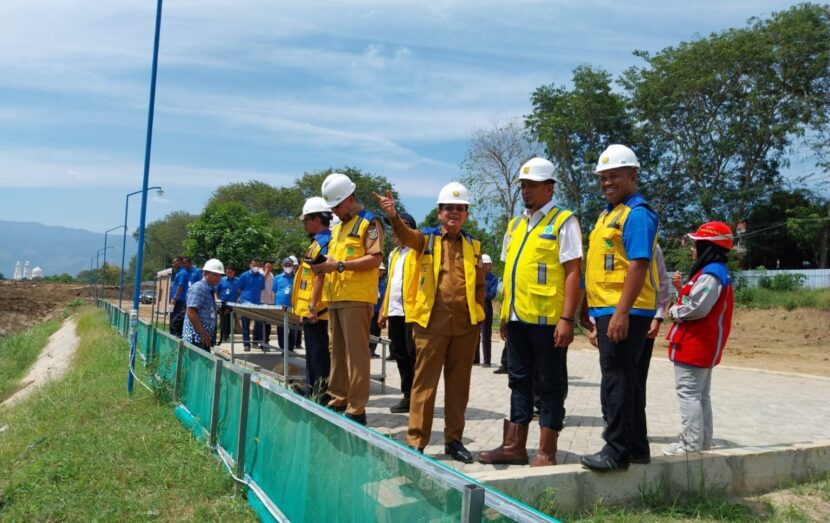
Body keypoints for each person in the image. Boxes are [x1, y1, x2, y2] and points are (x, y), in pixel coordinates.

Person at [478, 157, 582, 467]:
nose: (526, 191)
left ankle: (546, 451)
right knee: (518, 381)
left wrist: (567, 319)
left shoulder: (565, 221)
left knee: (549, 384)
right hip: (517, 319)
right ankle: (514, 446)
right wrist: (505, 316)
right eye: (523, 186)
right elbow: (511, 271)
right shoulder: (515, 224)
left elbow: (574, 272)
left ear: (549, 188)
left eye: (532, 186)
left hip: (549, 321)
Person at [374, 182, 485, 464]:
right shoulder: (426, 240)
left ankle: (453, 441)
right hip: (430, 325)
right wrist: (392, 216)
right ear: (439, 213)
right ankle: (416, 441)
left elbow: (480, 286)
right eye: (449, 208)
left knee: (459, 387)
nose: (454, 213)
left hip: (465, 327)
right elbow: (405, 235)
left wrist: (478, 315)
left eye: (460, 209)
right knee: (425, 385)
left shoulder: (474, 245)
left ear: (466, 214)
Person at [580, 144, 660, 472]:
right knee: (630, 380)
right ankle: (637, 447)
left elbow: (639, 264)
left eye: (614, 175)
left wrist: (621, 312)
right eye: (603, 177)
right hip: (607, 309)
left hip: (625, 310)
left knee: (617, 380)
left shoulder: (636, 213)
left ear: (632, 175)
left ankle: (616, 450)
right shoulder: (608, 213)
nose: (607, 182)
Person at [312, 172, 384, 426]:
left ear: (350, 198)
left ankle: (357, 407)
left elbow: (375, 259)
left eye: (337, 205)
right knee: (338, 353)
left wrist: (340, 266)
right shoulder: (338, 227)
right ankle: (339, 397)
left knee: (356, 355)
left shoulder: (369, 223)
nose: (333, 211)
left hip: (356, 297)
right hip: (336, 297)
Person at [664, 222, 734, 455]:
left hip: (696, 345)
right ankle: (701, 442)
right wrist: (680, 288)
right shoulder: (711, 273)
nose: (693, 249)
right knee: (700, 395)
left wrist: (673, 311)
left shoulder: (711, 274)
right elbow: (698, 300)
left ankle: (690, 443)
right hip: (700, 345)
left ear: (709, 247)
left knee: (689, 394)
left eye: (696, 244)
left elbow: (698, 308)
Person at [631, 244, 670, 463]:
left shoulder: (650, 245)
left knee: (636, 383)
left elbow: (661, 283)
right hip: (609, 317)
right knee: (614, 382)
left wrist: (657, 316)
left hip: (641, 319)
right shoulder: (605, 232)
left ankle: (635, 440)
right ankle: (616, 432)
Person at [378, 212, 419, 414]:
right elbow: (390, 284)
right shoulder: (393, 254)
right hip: (394, 311)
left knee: (413, 355)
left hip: (412, 313)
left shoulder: (418, 251)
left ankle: (417, 397)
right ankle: (407, 395)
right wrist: (383, 311)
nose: (394, 231)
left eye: (398, 226)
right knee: (400, 354)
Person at [293, 197, 333, 399]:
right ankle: (311, 389)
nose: (304, 224)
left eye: (306, 220)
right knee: (312, 352)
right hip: (311, 308)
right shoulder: (316, 243)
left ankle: (320, 393)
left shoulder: (325, 243)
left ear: (317, 219)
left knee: (318, 353)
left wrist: (312, 306)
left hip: (317, 309)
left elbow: (321, 276)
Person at [183, 259, 224, 351]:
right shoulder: (199, 288)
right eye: (214, 275)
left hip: (203, 337)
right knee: (195, 364)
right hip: (195, 337)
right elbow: (191, 312)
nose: (218, 278)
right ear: (205, 273)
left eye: (219, 275)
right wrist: (202, 333)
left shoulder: (209, 289)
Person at [236, 258, 265, 351]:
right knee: (245, 325)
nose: (255, 267)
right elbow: (239, 288)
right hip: (246, 304)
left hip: (257, 305)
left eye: (257, 265)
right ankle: (246, 344)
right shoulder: (244, 275)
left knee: (259, 325)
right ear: (250, 265)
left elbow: (261, 289)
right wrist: (243, 298)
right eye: (253, 265)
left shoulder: (261, 277)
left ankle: (259, 343)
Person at [474, 254, 498, 367]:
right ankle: (475, 359)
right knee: (474, 333)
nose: (486, 266)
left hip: (486, 306)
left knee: (486, 333)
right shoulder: (474, 275)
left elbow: (492, 294)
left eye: (488, 264)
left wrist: (481, 294)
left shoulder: (493, 278)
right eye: (484, 264)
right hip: (475, 304)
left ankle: (487, 360)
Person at [274, 257, 297, 351]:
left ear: (293, 266)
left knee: (293, 328)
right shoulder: (277, 278)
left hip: (293, 306)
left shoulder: (297, 277)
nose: (287, 267)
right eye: (285, 265)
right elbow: (275, 290)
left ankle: (290, 347)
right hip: (280, 306)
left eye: (289, 265)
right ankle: (283, 348)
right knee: (280, 328)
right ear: (282, 266)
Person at [168, 256, 191, 337]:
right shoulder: (178, 272)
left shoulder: (182, 273)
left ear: (180, 262)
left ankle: (176, 335)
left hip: (179, 300)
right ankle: (172, 334)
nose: (173, 264)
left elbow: (180, 286)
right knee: (172, 317)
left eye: (174, 262)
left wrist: (175, 298)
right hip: (175, 300)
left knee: (176, 319)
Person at [368, 264, 388, 358]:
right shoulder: (370, 281)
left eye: (383, 271)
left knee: (377, 332)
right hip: (371, 310)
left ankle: (372, 350)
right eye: (380, 270)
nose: (382, 272)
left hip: (379, 311)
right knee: (370, 331)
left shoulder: (382, 283)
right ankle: (368, 350)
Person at [257, 259, 275, 350]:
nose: (270, 268)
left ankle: (266, 341)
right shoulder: (259, 273)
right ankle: (261, 342)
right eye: (268, 266)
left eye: (272, 266)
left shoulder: (271, 274)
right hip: (262, 301)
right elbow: (260, 282)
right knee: (261, 323)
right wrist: (266, 271)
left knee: (268, 324)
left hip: (270, 302)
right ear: (264, 266)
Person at [217, 266, 239, 343]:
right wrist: (217, 300)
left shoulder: (238, 281)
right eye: (227, 272)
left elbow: (240, 291)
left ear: (234, 272)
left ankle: (227, 335)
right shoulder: (221, 280)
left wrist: (239, 299)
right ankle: (223, 336)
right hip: (223, 303)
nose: (228, 274)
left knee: (230, 320)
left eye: (230, 272)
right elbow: (216, 290)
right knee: (223, 321)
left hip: (233, 304)